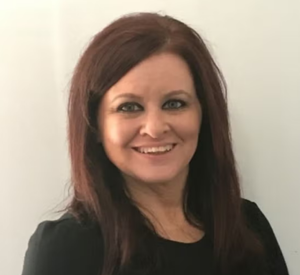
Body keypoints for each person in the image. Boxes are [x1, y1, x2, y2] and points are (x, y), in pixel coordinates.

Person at [21, 12, 289, 275]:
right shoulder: (66, 249)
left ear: (204, 115)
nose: (155, 128)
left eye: (174, 103)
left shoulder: (248, 226)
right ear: (95, 126)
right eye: (129, 107)